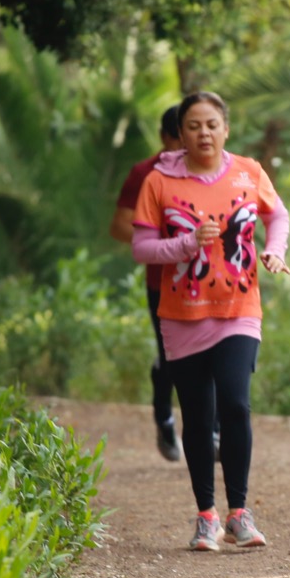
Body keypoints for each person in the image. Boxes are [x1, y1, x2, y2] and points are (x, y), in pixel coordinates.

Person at [131, 91, 290, 552]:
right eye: (194, 125)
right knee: (198, 416)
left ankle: (239, 513)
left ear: (226, 128)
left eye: (212, 124)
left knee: (236, 405)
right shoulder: (159, 181)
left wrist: (274, 250)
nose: (204, 132)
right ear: (180, 134)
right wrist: (184, 246)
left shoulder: (248, 172)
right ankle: (206, 516)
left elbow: (276, 215)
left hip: (239, 311)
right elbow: (141, 248)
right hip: (181, 316)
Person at [110, 105, 184, 462]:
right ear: (165, 138)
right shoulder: (144, 173)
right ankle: (165, 417)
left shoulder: (219, 170)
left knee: (215, 354)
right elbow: (120, 226)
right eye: (178, 140)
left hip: (213, 283)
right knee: (171, 357)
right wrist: (164, 244)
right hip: (162, 282)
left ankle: (213, 429)